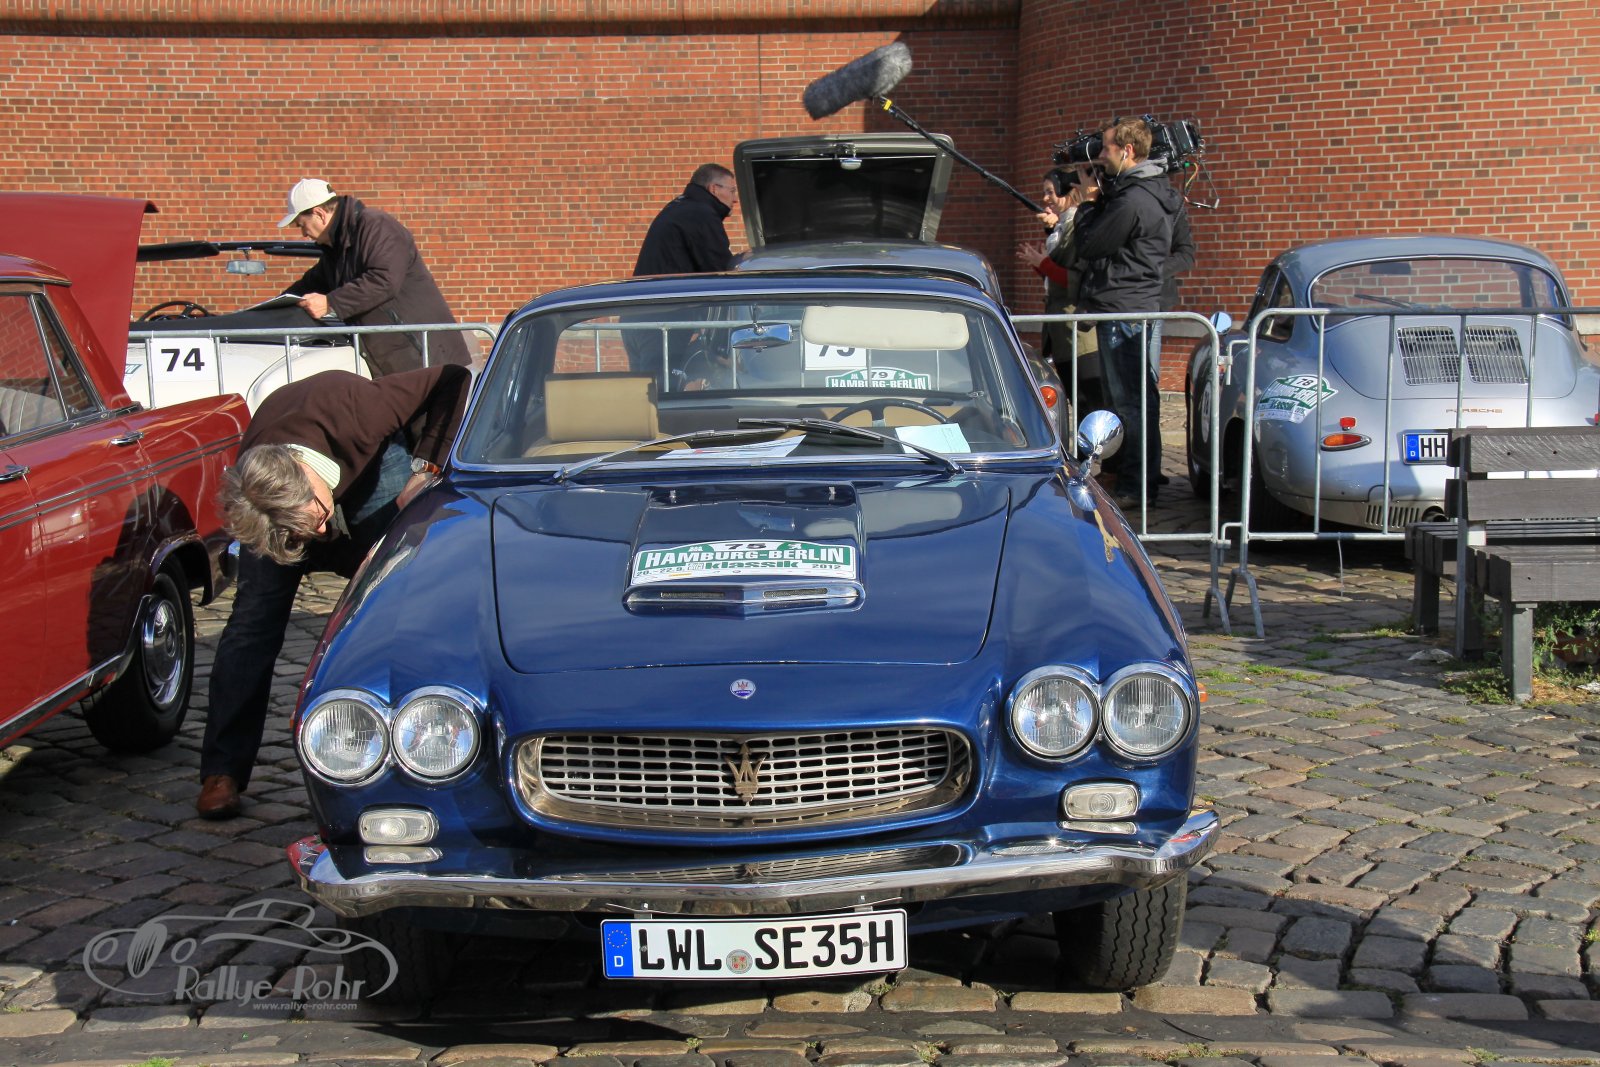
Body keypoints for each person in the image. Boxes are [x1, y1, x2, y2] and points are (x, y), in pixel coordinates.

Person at [196, 365, 472, 819]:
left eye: (320, 519)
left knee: (402, 596)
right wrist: (297, 527)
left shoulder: (359, 410)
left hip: (371, 475)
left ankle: (429, 748)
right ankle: (221, 770)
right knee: (251, 624)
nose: (322, 533)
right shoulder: (257, 487)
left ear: (310, 484)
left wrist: (426, 467)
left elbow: (453, 376)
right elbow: (289, 519)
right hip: (287, 500)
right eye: (312, 530)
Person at [1073, 117, 1184, 505]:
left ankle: (1137, 486)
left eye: (1106, 148)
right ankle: (1140, 479)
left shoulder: (1133, 199)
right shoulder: (1150, 192)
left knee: (1129, 403)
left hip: (1124, 307)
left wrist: (1088, 204)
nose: (1102, 156)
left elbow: (1091, 244)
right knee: (1138, 399)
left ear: (1128, 150)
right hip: (1136, 303)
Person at [277, 178, 471, 377]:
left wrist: (330, 303)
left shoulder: (376, 226)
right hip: (399, 362)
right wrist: (270, 309)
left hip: (427, 357)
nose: (304, 234)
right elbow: (308, 285)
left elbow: (384, 280)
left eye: (302, 225)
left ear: (320, 214)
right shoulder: (336, 250)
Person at [626, 164, 739, 379]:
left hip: (639, 315)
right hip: (663, 317)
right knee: (662, 389)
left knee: (645, 389)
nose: (735, 199)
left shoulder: (680, 207)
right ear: (714, 189)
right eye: (732, 190)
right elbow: (720, 273)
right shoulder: (701, 215)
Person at [1016, 167, 1101, 414]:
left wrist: (1043, 263)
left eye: (1050, 192)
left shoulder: (1077, 226)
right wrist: (1040, 264)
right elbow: (1054, 279)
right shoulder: (1063, 226)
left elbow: (1075, 279)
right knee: (1077, 400)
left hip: (1079, 334)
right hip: (1062, 332)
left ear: (1068, 192)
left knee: (1089, 402)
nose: (1045, 199)